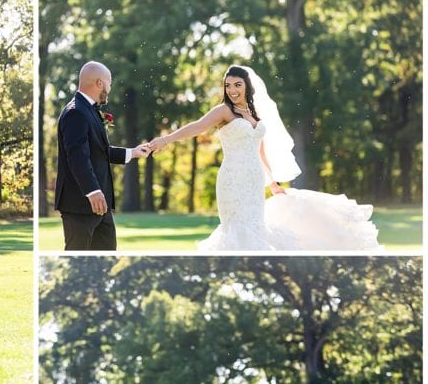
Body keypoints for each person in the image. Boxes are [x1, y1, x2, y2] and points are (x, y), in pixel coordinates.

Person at [147, 65, 382, 251]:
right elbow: (197, 127)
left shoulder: (254, 116)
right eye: (228, 85)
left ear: (248, 86)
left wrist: (272, 183)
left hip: (253, 181)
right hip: (232, 179)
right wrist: (166, 140)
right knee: (237, 228)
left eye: (237, 85)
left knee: (257, 226)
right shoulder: (224, 111)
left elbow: (260, 153)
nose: (232, 90)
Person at [55, 61, 152, 250]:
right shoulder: (75, 112)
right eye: (109, 82)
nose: (110, 87)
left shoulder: (90, 110)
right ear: (100, 83)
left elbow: (101, 151)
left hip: (101, 203)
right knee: (77, 259)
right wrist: (92, 191)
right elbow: (77, 157)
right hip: (80, 204)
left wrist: (133, 152)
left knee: (106, 257)